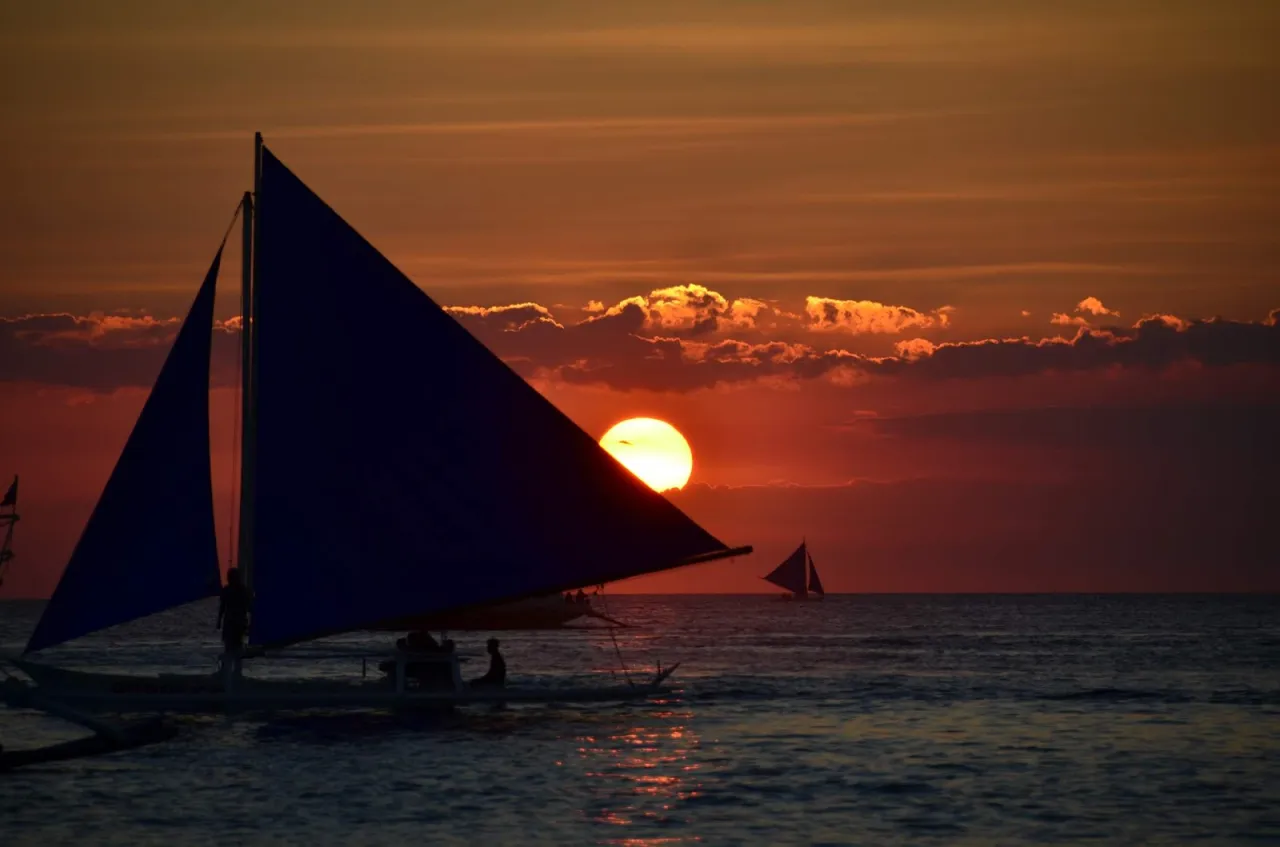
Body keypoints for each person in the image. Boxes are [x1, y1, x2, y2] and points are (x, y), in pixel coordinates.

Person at [216, 567, 251, 680]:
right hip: (233, 622)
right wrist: (219, 621)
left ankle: (235, 671)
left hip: (236, 622)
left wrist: (219, 621)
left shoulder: (239, 591)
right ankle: (230, 671)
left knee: (234, 647)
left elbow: (248, 606)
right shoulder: (234, 590)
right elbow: (223, 607)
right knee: (232, 647)